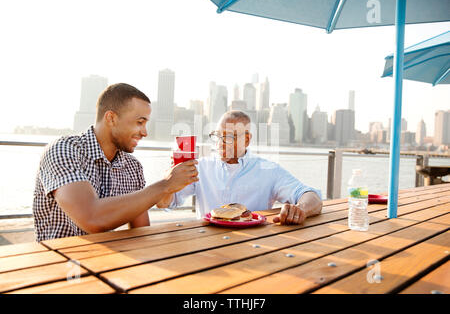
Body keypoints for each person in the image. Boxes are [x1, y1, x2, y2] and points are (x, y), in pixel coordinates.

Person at [33, 83, 198, 241]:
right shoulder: (63, 150)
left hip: (108, 263)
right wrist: (165, 185)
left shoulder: (132, 167)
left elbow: (141, 232)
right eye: (139, 122)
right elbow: (92, 219)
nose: (145, 132)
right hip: (58, 263)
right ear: (111, 118)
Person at [157, 110, 322, 225]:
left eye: (229, 136)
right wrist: (168, 182)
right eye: (218, 135)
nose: (221, 142)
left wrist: (300, 209)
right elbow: (165, 204)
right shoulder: (201, 167)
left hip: (253, 244)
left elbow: (311, 196)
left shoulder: (268, 170)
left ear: (247, 140)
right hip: (206, 243)